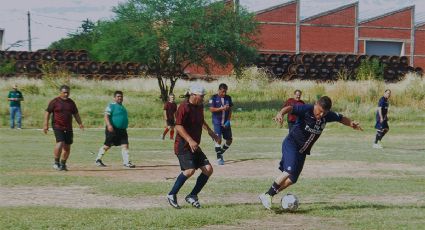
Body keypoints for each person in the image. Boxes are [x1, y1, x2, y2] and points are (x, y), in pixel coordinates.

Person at [258, 96, 362, 210]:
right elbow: (290, 108)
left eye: (325, 112)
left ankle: (269, 194)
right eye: (320, 111)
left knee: (292, 179)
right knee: (289, 170)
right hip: (292, 144)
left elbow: (341, 118)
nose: (322, 114)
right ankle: (268, 195)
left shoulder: (327, 115)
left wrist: (351, 124)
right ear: (316, 104)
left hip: (302, 151)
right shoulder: (306, 109)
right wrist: (280, 113)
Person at [166, 84, 220, 209]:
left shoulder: (199, 106)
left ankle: (192, 195)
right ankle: (171, 194)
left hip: (194, 145)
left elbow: (201, 121)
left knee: (208, 169)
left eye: (203, 96)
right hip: (183, 146)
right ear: (193, 95)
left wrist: (210, 132)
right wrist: (190, 140)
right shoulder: (183, 107)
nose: (203, 98)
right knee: (189, 171)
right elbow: (178, 126)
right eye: (201, 96)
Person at [43, 85, 84, 171]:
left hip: (68, 127)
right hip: (57, 126)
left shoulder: (71, 102)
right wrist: (45, 124)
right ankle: (56, 162)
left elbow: (76, 114)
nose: (66, 94)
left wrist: (80, 123)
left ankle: (63, 164)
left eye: (67, 92)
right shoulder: (55, 101)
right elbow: (47, 112)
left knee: (67, 147)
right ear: (60, 92)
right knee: (60, 142)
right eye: (64, 92)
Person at [95, 91, 135, 168]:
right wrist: (109, 125)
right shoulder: (111, 106)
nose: (120, 98)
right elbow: (106, 116)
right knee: (107, 145)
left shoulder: (123, 107)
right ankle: (98, 160)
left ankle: (126, 162)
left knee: (125, 145)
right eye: (118, 96)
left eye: (121, 96)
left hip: (122, 130)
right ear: (114, 98)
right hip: (113, 129)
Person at [208, 83, 233, 165]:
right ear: (219, 90)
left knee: (229, 140)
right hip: (217, 122)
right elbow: (211, 109)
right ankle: (219, 157)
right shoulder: (214, 98)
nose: (224, 93)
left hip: (226, 122)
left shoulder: (228, 98)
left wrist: (228, 121)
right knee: (218, 139)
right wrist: (221, 108)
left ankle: (220, 152)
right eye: (222, 91)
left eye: (225, 92)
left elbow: (230, 110)